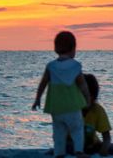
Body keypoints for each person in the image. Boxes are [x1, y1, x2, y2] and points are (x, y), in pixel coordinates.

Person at [32, 30, 91, 158]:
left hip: (56, 107)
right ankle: (79, 152)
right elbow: (83, 85)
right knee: (77, 128)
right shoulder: (75, 66)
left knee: (58, 131)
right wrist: (87, 99)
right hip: (72, 106)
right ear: (73, 49)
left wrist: (37, 99)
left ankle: (59, 153)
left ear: (55, 48)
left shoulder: (51, 66)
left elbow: (43, 84)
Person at [79, 74, 113, 155]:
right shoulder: (70, 110)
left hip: (92, 145)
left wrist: (104, 149)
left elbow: (106, 137)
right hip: (72, 146)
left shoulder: (97, 110)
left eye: (89, 96)